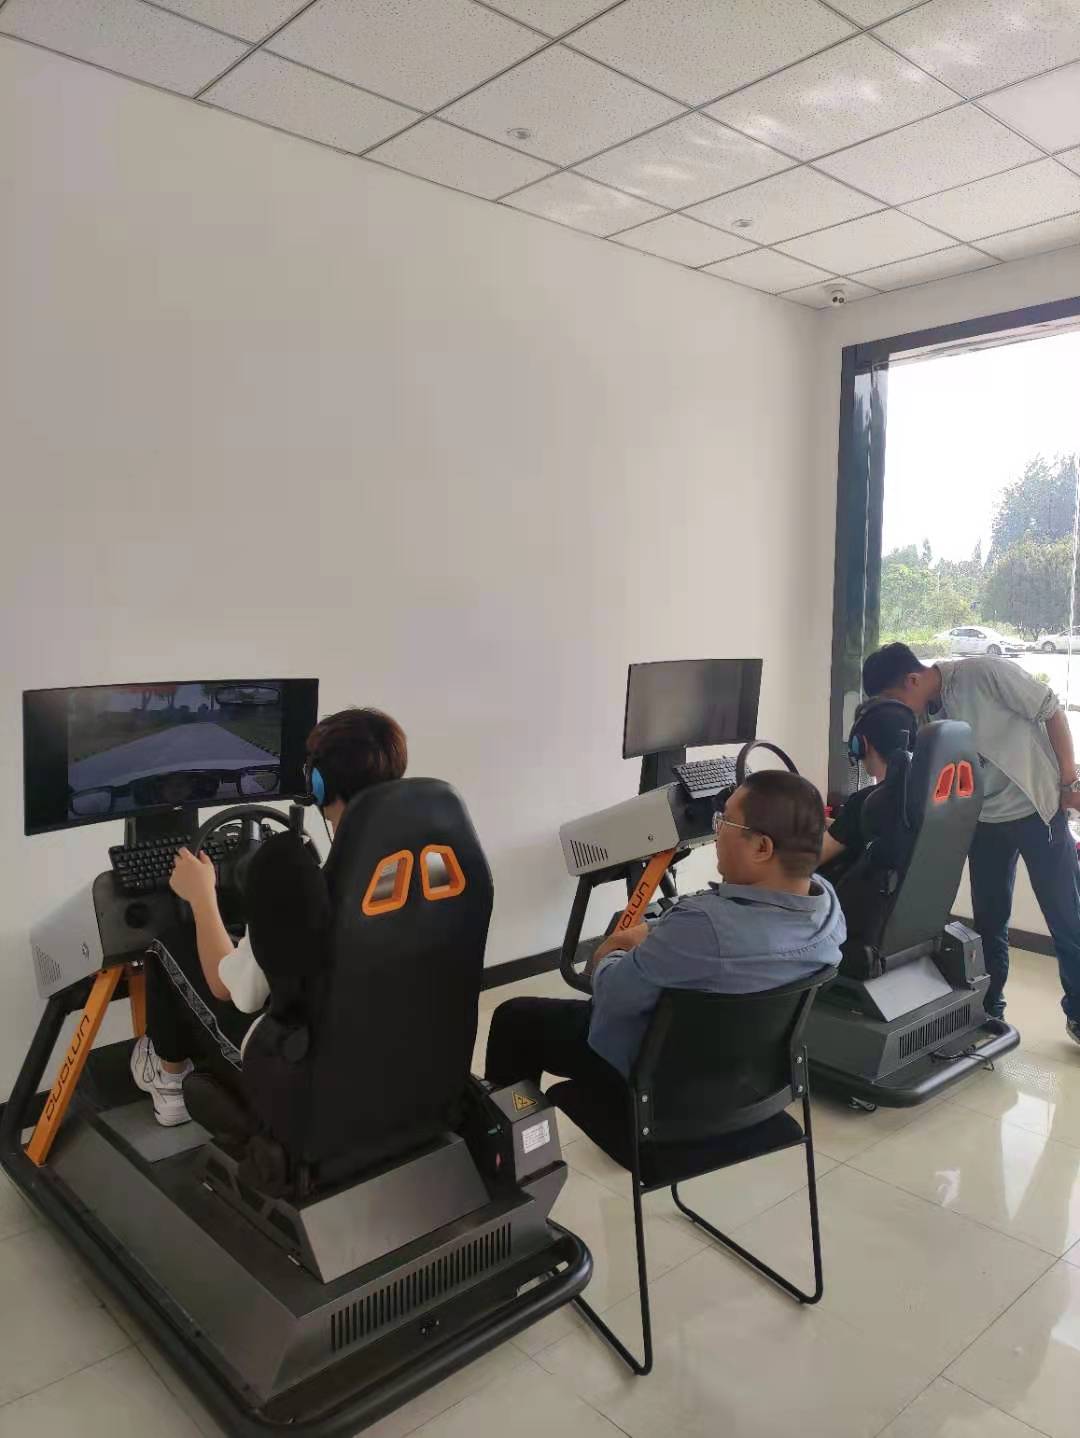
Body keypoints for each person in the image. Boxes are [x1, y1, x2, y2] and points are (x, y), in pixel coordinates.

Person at [485, 771, 845, 1101]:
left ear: (762, 848)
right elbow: (717, 929)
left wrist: (614, 950)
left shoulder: (702, 929)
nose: (717, 832)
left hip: (660, 1088)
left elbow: (610, 995)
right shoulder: (827, 912)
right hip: (749, 1086)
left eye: (725, 822)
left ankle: (506, 1146)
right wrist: (658, 931)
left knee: (514, 1019)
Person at [131, 707, 408, 1125]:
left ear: (317, 784)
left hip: (298, 1070)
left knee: (168, 942)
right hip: (384, 1055)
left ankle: (169, 1084)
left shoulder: (308, 890)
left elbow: (230, 990)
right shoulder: (433, 869)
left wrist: (202, 897)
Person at [862, 641, 1080, 1045]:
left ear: (913, 679)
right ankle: (991, 1009)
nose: (898, 710)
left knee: (1067, 918)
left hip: (1038, 810)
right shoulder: (920, 717)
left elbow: (1051, 711)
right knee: (990, 922)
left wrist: (1069, 782)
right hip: (983, 821)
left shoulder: (983, 674)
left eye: (896, 699)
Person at [820, 698, 917, 875]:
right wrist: (825, 822)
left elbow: (810, 860)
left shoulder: (868, 802)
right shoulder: (918, 795)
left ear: (861, 744)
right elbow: (856, 830)